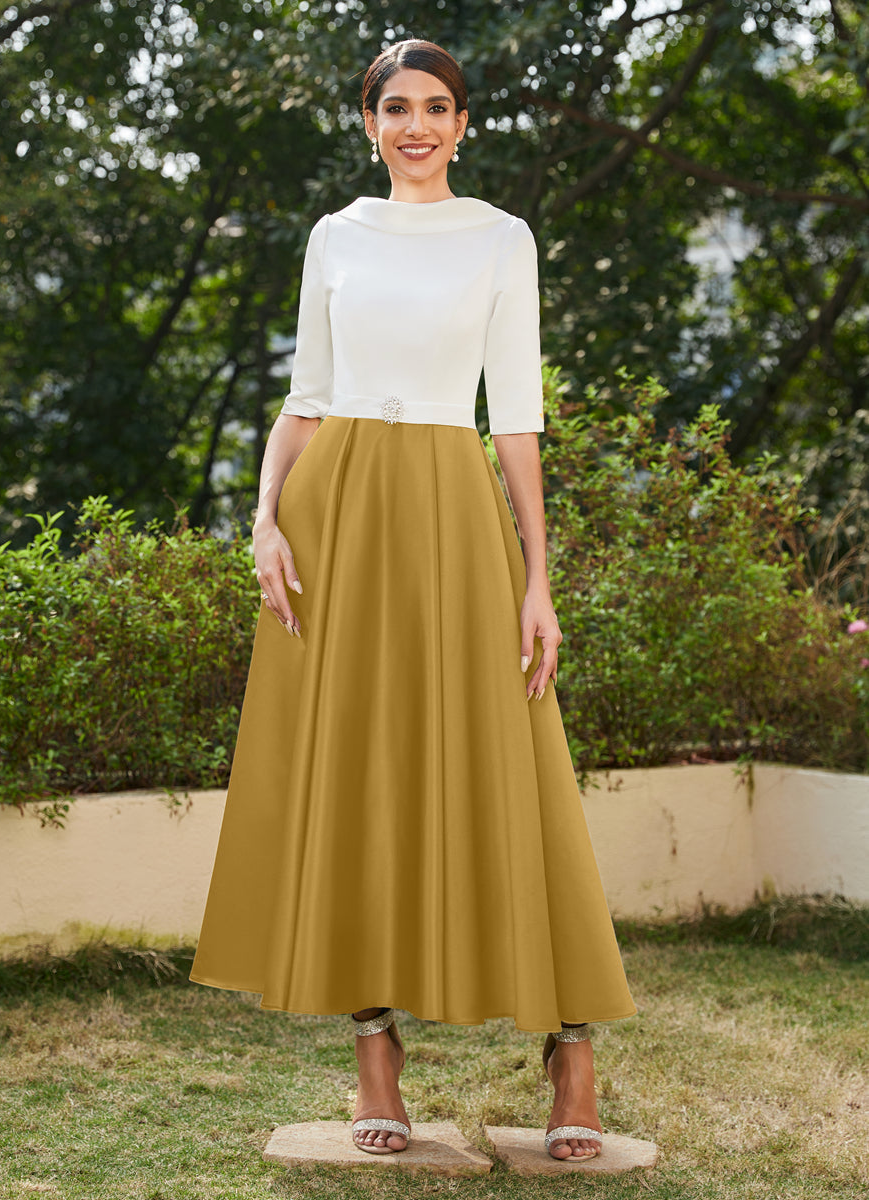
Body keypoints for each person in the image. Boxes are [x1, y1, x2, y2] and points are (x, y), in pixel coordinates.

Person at [189, 38, 636, 1163]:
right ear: (370, 123)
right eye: (397, 107)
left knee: (510, 754)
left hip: (451, 507)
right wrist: (264, 520)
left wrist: (538, 579)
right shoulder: (335, 235)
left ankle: (571, 1050)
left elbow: (516, 419)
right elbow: (305, 398)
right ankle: (375, 1050)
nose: (417, 125)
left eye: (437, 107)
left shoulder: (501, 237)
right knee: (358, 769)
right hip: (334, 517)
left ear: (464, 124)